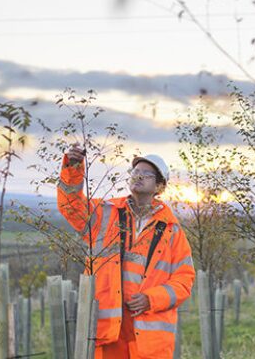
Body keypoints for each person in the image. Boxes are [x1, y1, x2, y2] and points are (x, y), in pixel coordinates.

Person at [57, 143, 194, 359]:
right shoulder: (105, 213)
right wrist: (73, 168)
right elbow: (70, 205)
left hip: (149, 340)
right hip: (108, 332)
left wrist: (152, 299)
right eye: (135, 171)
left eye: (146, 174)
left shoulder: (171, 230)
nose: (138, 176)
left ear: (159, 186)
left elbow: (184, 281)